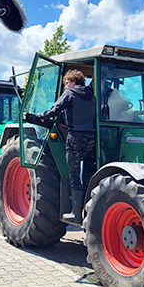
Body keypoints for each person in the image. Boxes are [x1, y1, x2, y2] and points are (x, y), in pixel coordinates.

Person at [35, 69, 96, 224]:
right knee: (88, 171)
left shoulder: (70, 94)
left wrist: (41, 116)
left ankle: (76, 214)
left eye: (67, 82)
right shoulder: (92, 96)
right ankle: (90, 208)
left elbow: (55, 110)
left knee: (73, 173)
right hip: (91, 137)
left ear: (73, 81)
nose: (66, 86)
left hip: (75, 137)